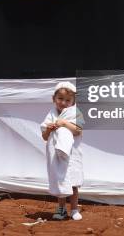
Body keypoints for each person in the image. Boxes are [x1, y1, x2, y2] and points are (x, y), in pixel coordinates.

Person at [40, 81, 84, 220]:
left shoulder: (76, 113)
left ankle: (75, 209)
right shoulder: (50, 115)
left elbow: (78, 130)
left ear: (73, 101)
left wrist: (64, 123)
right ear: (54, 99)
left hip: (71, 154)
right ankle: (61, 209)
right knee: (60, 180)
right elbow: (45, 137)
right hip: (56, 155)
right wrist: (49, 129)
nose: (63, 103)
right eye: (60, 99)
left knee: (73, 183)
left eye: (67, 100)